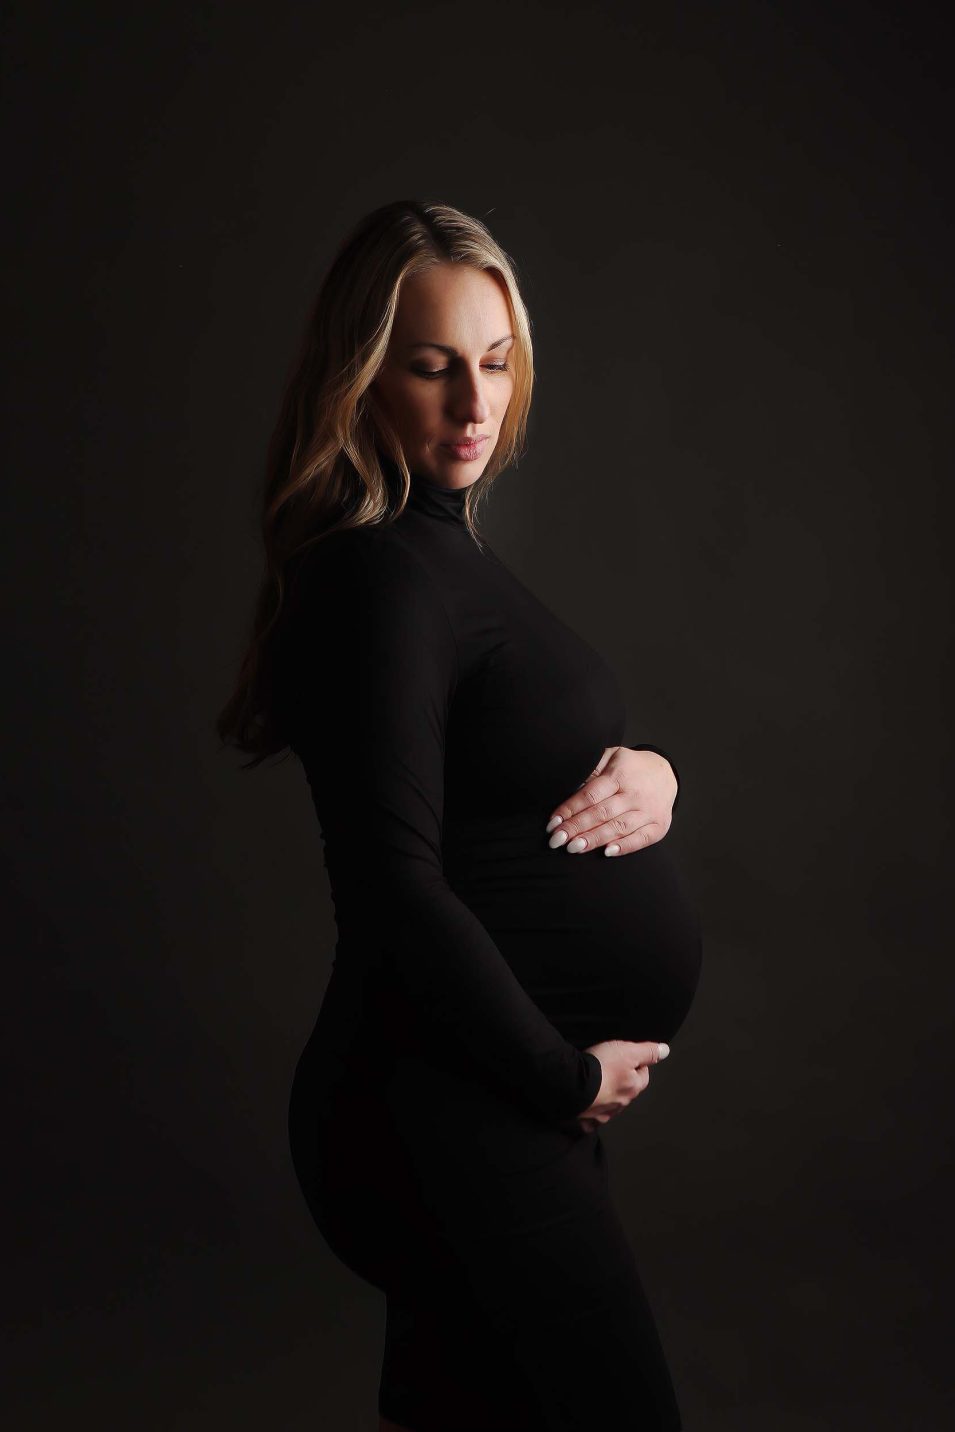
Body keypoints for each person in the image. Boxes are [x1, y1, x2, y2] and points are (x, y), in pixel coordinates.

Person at [217, 198, 704, 1432]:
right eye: (432, 367)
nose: (473, 405)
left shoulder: (447, 559)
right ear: (363, 372)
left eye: (493, 364)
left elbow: (530, 756)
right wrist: (555, 1076)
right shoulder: (378, 576)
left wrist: (655, 767)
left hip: (489, 1102)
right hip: (451, 1107)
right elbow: (391, 884)